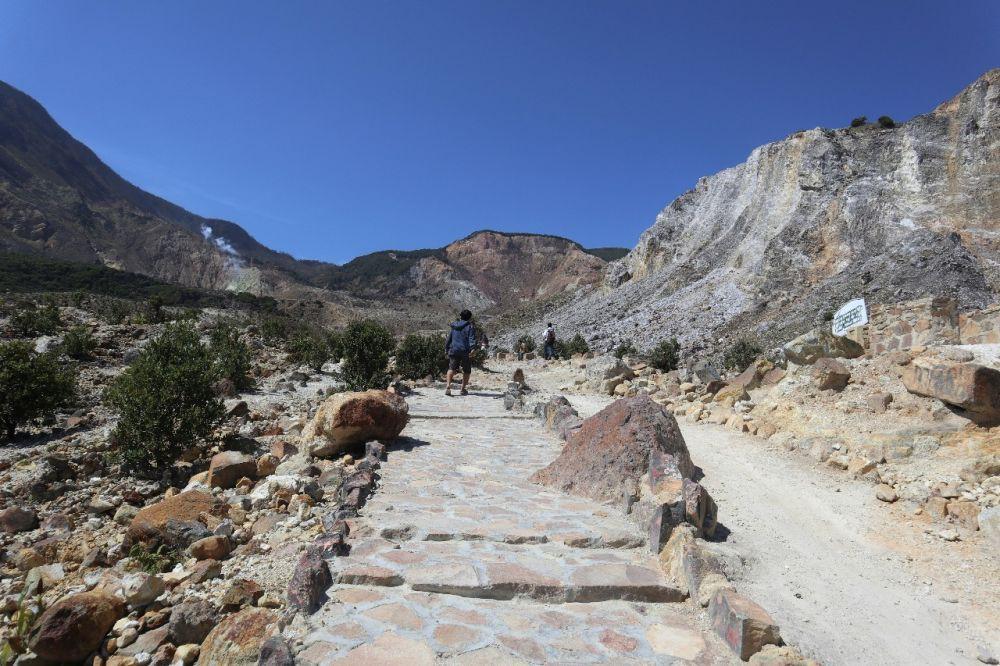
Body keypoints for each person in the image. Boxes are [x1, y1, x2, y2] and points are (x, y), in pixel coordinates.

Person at [444, 309, 477, 396]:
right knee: (467, 370)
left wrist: (446, 348)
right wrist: (473, 348)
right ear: (469, 318)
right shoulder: (470, 327)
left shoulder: (454, 326)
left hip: (454, 350)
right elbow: (471, 338)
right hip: (465, 351)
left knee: (451, 368)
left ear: (460, 316)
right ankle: (462, 389)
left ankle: (448, 386)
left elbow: (449, 338)